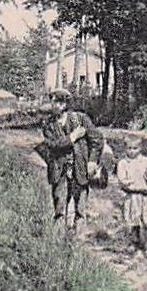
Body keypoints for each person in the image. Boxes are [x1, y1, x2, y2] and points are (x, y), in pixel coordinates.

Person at [37, 88, 114, 236]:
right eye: (54, 102)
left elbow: (97, 140)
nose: (56, 106)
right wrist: (72, 137)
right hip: (59, 168)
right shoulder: (48, 124)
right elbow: (53, 145)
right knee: (59, 203)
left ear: (66, 104)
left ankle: (81, 238)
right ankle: (59, 238)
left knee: (80, 205)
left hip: (80, 167)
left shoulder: (80, 119)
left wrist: (92, 161)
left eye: (60, 102)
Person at [114, 133, 147, 256]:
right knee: (133, 222)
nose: (132, 151)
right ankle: (134, 245)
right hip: (132, 197)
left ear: (140, 148)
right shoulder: (123, 164)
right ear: (125, 148)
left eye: (135, 148)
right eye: (129, 148)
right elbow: (123, 181)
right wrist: (137, 187)